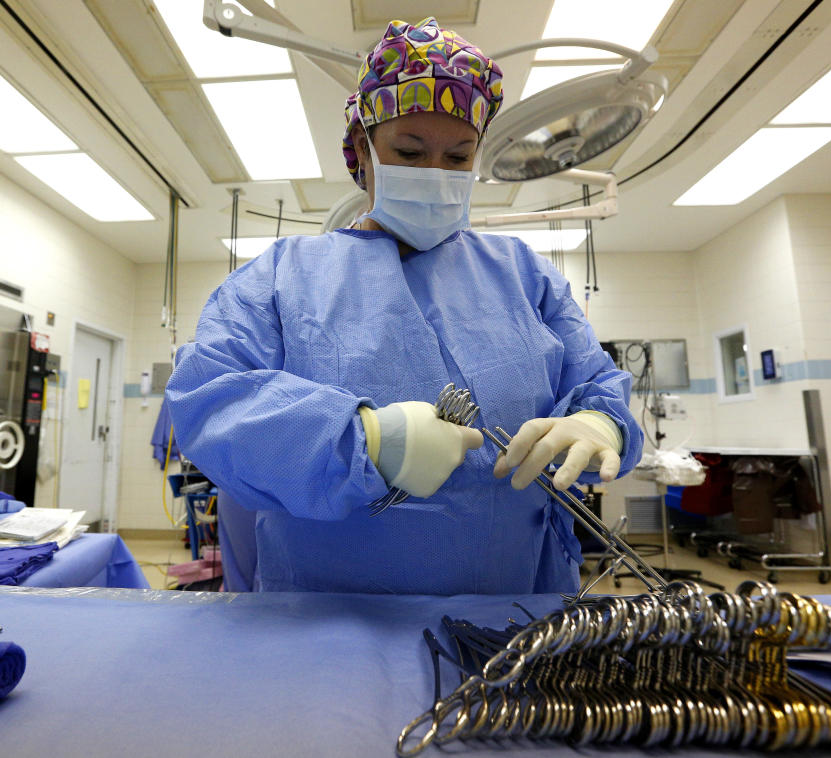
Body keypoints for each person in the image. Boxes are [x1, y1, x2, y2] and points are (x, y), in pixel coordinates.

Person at [166, 17, 642, 594]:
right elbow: (208, 402)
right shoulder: (279, 278)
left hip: (516, 608)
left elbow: (596, 382)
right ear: (362, 153)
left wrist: (600, 423)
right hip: (329, 619)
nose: (436, 176)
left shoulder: (526, 275)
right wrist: (362, 440)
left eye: (459, 157)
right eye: (410, 152)